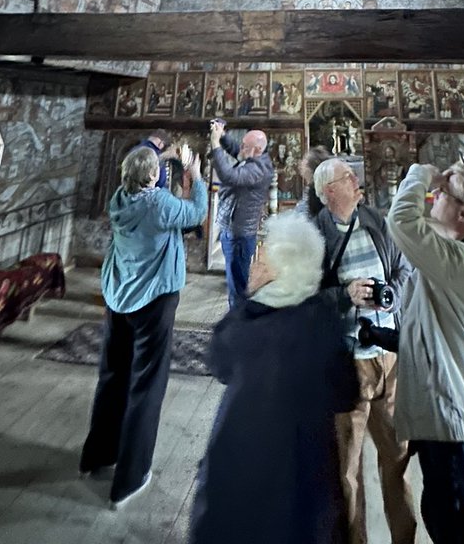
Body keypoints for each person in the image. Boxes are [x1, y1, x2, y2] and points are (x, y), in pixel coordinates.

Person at [188, 214, 360, 544]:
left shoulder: (246, 324)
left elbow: (218, 362)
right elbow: (346, 392)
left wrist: (251, 297)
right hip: (305, 482)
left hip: (240, 473)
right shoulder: (324, 324)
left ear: (280, 268)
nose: (255, 262)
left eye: (263, 256)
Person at [386, 161, 464, 544]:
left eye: (443, 192)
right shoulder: (450, 263)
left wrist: (421, 173)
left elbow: (403, 221)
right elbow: (429, 330)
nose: (433, 195)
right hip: (452, 432)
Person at [79, 144, 207, 509]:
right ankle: (131, 477)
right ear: (153, 177)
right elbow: (196, 212)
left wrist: (159, 162)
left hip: (119, 296)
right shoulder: (159, 205)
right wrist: (195, 175)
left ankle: (98, 456)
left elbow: (145, 183)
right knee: (146, 384)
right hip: (153, 300)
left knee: (113, 375)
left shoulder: (120, 198)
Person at [313, 157, 416, 544]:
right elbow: (306, 300)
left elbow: (404, 272)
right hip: (347, 366)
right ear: (329, 192)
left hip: (388, 358)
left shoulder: (375, 220)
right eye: (347, 177)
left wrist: (390, 301)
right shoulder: (316, 235)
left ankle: (404, 537)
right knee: (347, 470)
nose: (356, 179)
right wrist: (344, 296)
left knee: (398, 458)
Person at [209, 118, 273, 307]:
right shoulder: (254, 157)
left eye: (246, 145)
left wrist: (215, 145)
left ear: (257, 150)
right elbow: (237, 151)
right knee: (234, 283)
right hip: (234, 232)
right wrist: (222, 136)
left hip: (240, 237)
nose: (241, 148)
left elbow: (229, 176)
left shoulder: (259, 169)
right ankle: (237, 322)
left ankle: (238, 326)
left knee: (238, 287)